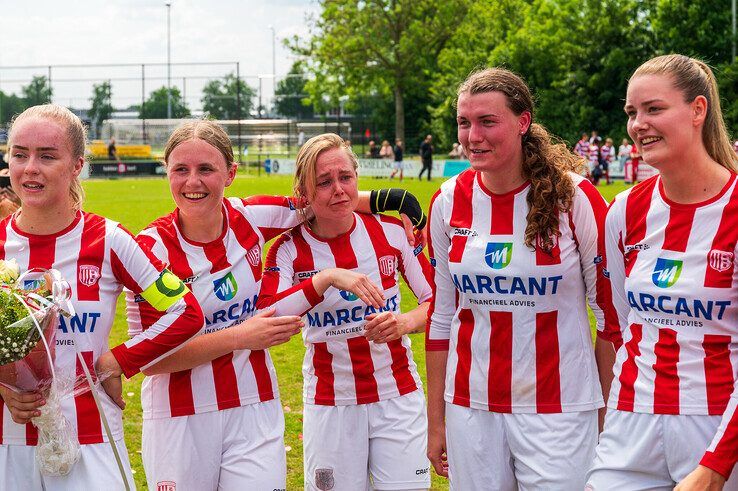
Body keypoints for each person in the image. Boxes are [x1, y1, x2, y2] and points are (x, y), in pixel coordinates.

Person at [127, 121, 428, 490]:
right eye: (180, 170)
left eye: (206, 169)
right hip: (179, 414)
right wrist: (239, 336)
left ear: (230, 174)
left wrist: (394, 201)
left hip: (254, 404)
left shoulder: (253, 218)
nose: (193, 182)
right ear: (166, 172)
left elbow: (318, 201)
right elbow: (149, 359)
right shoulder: (148, 250)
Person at [425, 68, 615, 490]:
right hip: (470, 408)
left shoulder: (576, 197)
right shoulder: (446, 201)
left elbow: (611, 319)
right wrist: (435, 420)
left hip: (560, 408)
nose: (473, 135)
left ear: (522, 122)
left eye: (487, 121)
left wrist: (610, 415)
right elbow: (440, 319)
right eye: (463, 122)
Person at [0, 104, 205, 490]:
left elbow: (186, 312)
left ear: (77, 164)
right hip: (8, 441)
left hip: (91, 439)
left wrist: (117, 361)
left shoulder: (110, 240)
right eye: (19, 154)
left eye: (47, 156)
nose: (30, 168)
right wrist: (3, 385)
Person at [587, 54, 738, 490]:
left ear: (697, 110)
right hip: (632, 419)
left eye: (654, 109)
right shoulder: (625, 210)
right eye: (632, 113)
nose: (638, 124)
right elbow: (621, 322)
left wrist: (715, 466)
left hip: (715, 425)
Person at [258, 133, 433, 490]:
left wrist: (404, 322)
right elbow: (267, 315)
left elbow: (439, 302)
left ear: (357, 178)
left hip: (397, 397)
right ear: (303, 194)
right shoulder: (288, 250)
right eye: (324, 182)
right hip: (330, 403)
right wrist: (325, 279)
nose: (338, 189)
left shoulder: (391, 233)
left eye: (345, 177)